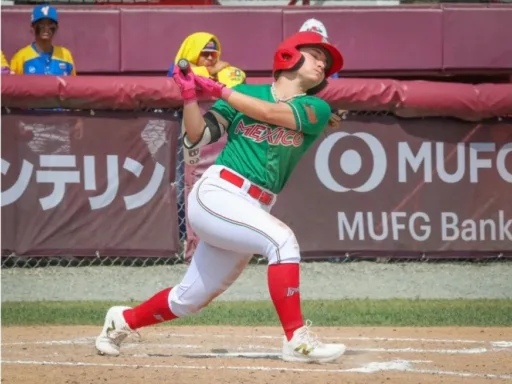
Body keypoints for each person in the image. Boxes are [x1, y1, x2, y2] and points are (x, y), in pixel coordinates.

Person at [95, 31, 346, 363]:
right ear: (289, 56)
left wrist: (218, 89)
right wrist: (189, 96)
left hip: (254, 207)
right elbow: (198, 135)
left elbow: (271, 114)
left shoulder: (315, 107)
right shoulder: (242, 93)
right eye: (315, 54)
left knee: (188, 300)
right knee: (282, 241)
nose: (322, 63)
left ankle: (122, 321)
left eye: (324, 62)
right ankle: (297, 340)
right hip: (219, 194)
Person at [167, 32, 246, 244]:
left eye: (213, 54)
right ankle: (184, 235)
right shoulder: (179, 70)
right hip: (180, 139)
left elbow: (239, 80)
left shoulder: (224, 73)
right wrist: (209, 71)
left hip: (214, 141)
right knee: (181, 184)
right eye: (205, 54)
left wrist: (217, 72)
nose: (211, 58)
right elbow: (179, 75)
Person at [10, 4, 76, 76]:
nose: (46, 29)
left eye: (50, 25)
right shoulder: (21, 57)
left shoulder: (65, 55)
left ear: (56, 28)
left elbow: (72, 85)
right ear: (32, 28)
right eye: (41, 25)